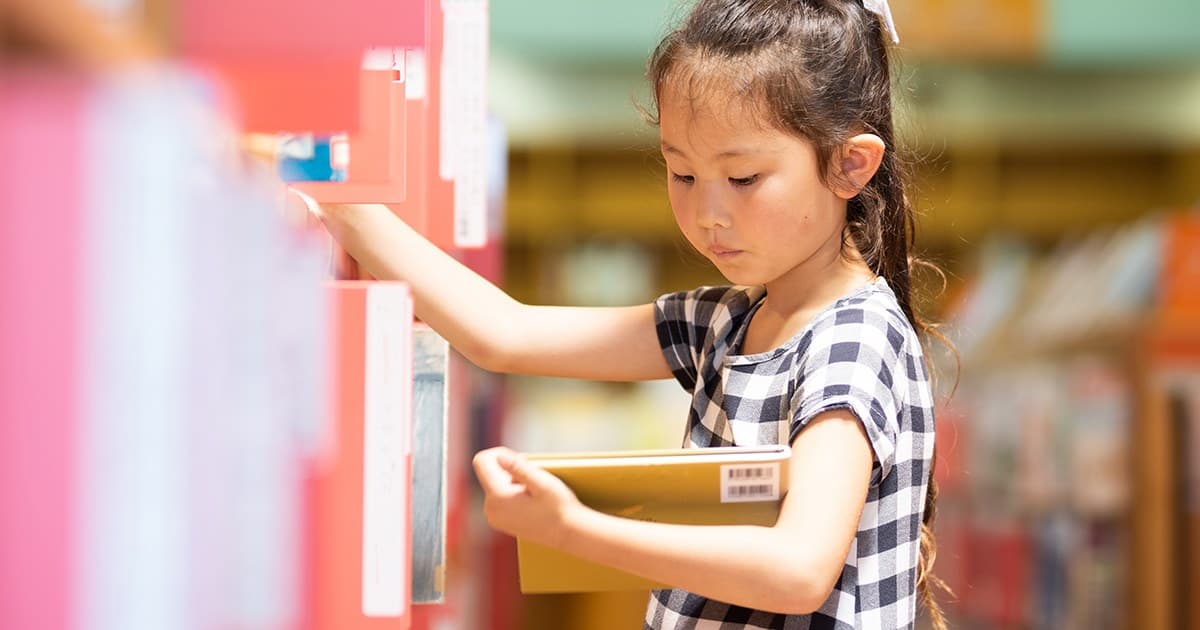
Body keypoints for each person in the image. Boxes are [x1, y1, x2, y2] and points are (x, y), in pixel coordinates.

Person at [316, 0, 950, 627]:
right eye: (681, 174)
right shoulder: (725, 323)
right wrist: (341, 202)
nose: (708, 215)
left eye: (744, 178)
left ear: (849, 165)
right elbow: (504, 333)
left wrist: (576, 530)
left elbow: (797, 569)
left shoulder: (853, 339)